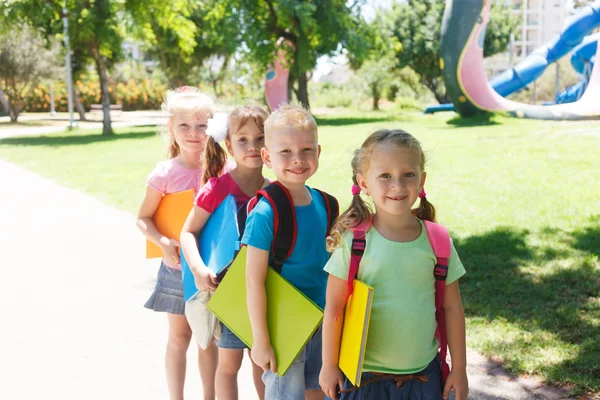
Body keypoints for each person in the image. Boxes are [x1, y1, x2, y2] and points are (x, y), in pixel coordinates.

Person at [319, 129, 468, 400]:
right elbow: (334, 307)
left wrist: (460, 369)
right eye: (385, 176)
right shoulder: (353, 241)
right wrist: (329, 365)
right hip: (363, 379)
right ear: (363, 183)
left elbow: (453, 308)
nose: (398, 186)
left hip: (424, 378)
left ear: (422, 180)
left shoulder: (438, 241)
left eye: (408, 175)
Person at [243, 104, 336, 400]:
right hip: (282, 325)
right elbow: (253, 280)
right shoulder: (265, 213)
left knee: (318, 390)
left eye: (307, 149)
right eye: (285, 152)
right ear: (267, 157)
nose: (298, 159)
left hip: (322, 320)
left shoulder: (327, 204)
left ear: (318, 152)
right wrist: (261, 340)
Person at [180, 104, 270, 400]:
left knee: (263, 363)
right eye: (243, 140)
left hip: (266, 292)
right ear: (229, 145)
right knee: (229, 364)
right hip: (229, 293)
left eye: (261, 138)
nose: (253, 147)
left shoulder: (276, 190)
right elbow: (188, 232)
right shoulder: (218, 188)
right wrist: (197, 269)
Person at [136, 86, 218, 400]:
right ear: (171, 128)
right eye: (184, 125)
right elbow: (143, 218)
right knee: (179, 337)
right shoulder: (165, 174)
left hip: (210, 268)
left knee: (206, 338)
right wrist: (163, 242)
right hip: (174, 267)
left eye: (202, 126)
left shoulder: (220, 171)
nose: (194, 133)